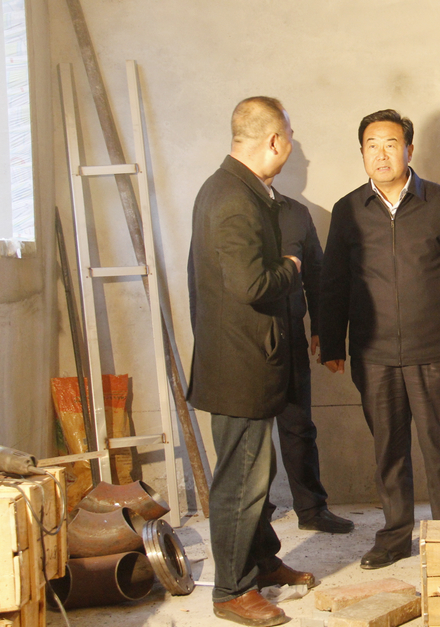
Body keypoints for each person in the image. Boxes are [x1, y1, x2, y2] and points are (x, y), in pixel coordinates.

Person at [318, 109, 440, 570]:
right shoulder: (349, 210)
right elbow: (334, 281)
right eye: (371, 145)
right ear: (362, 153)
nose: (381, 154)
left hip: (434, 351)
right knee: (388, 452)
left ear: (409, 149)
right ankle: (393, 537)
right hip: (374, 353)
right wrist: (333, 343)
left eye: (390, 144)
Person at [187, 96, 315, 627]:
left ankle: (261, 562)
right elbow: (252, 285)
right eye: (289, 135)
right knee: (241, 482)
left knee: (256, 474)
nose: (290, 144)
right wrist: (292, 264)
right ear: (274, 140)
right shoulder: (233, 198)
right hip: (239, 366)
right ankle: (232, 591)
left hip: (246, 358)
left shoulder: (236, 189)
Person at [274, 193, 354, 534]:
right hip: (244, 341)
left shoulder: (295, 213)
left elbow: (317, 274)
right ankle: (254, 512)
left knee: (298, 427)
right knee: (249, 436)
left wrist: (320, 326)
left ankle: (311, 509)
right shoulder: (232, 205)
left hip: (291, 334)